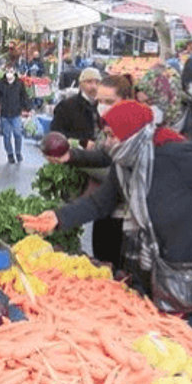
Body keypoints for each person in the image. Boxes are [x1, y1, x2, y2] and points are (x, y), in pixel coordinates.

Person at [24, 101, 192, 347]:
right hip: (173, 253)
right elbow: (101, 203)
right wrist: (58, 218)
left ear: (131, 134)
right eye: (105, 135)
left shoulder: (174, 153)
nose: (106, 142)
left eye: (111, 135)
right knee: (185, 331)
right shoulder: (124, 164)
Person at [47, 74, 135, 274]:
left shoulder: (140, 137)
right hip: (108, 210)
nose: (103, 106)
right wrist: (70, 156)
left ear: (127, 101)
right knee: (105, 265)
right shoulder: (108, 127)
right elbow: (103, 155)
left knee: (121, 273)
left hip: (128, 221)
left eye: (109, 102)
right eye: (100, 101)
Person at [51, 67, 101, 147]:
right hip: (75, 155)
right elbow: (56, 134)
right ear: (80, 84)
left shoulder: (101, 106)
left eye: (97, 82)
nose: (94, 86)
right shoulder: (67, 106)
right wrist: (82, 143)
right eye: (89, 82)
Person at [0, 68, 32, 164]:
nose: (9, 74)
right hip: (4, 114)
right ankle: (10, 154)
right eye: (7, 72)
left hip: (16, 113)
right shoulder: (1, 85)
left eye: (11, 72)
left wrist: (27, 108)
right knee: (6, 136)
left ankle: (18, 152)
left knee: (18, 134)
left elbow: (24, 97)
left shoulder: (19, 85)